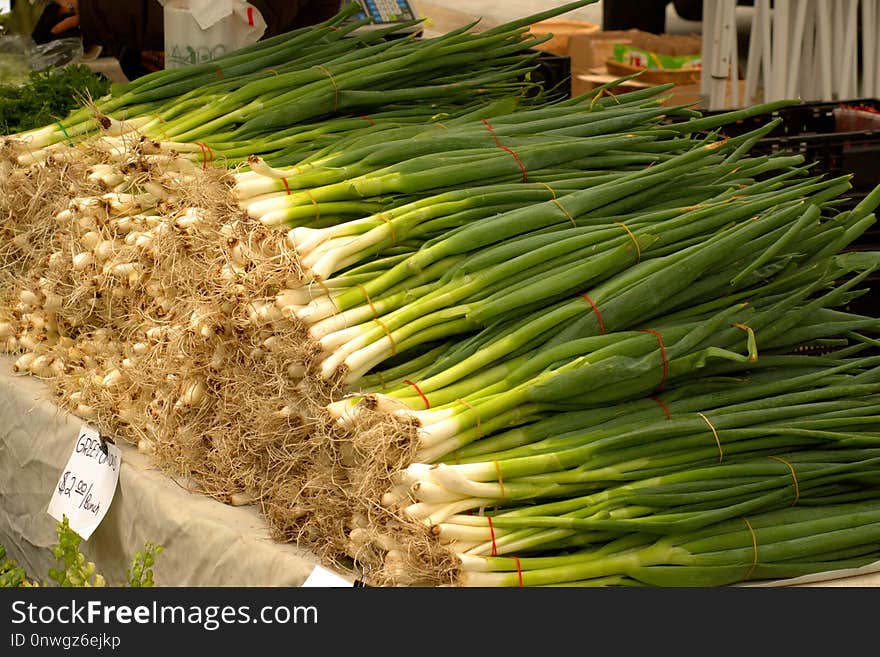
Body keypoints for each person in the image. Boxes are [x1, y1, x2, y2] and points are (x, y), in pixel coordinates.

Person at [48, 0, 343, 79]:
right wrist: (133, 53)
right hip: (192, 88)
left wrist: (96, 9)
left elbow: (235, 16)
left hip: (275, 90)